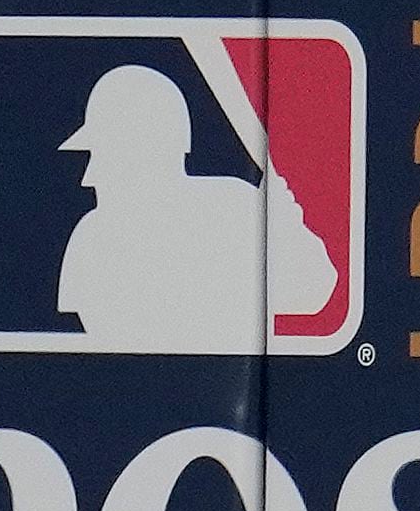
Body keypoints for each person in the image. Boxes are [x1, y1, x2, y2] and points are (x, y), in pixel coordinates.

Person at [55, 64, 338, 352]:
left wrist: (286, 228)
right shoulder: (93, 238)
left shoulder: (234, 209)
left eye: (105, 157)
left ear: (149, 154)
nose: (88, 177)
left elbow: (315, 287)